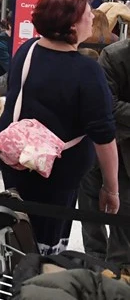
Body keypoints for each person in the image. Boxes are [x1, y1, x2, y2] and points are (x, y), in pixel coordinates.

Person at [0, 0, 119, 255]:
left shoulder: (27, 50)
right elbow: (104, 135)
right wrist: (112, 188)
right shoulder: (87, 70)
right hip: (57, 170)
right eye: (88, 15)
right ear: (73, 25)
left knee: (20, 225)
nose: (92, 18)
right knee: (47, 235)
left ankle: (17, 269)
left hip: (17, 159)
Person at [83, 38, 130, 267]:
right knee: (93, 210)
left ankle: (118, 272)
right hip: (102, 143)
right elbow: (107, 105)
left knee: (124, 217)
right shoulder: (113, 55)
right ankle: (96, 268)